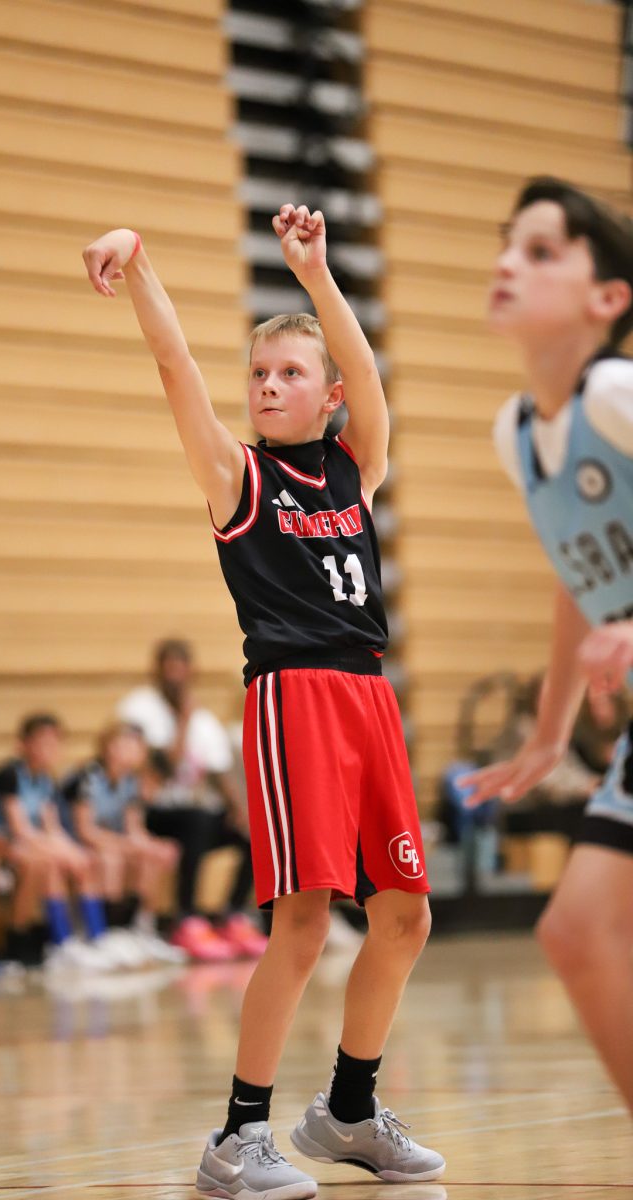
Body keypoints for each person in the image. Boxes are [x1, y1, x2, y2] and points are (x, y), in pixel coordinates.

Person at [83, 205, 445, 1197]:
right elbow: (175, 369)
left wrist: (317, 277)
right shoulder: (237, 476)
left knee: (405, 918)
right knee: (303, 922)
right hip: (294, 701)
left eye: (290, 373)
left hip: (370, 700)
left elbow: (368, 378)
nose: (269, 386)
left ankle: (349, 1111)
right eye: (259, 374)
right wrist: (139, 265)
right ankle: (237, 1137)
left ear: (328, 396)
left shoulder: (354, 467)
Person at [461, 177, 633, 1115]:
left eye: (539, 252)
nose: (506, 264)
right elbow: (576, 578)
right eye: (505, 244)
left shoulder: (615, 393)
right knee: (576, 932)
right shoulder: (517, 433)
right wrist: (548, 735)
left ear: (607, 298)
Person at [119, 639, 267, 962]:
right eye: (169, 667)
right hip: (152, 812)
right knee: (196, 820)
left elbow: (219, 772)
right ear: (158, 671)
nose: (175, 675)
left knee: (252, 831)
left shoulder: (202, 718)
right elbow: (165, 767)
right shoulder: (141, 708)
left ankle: (233, 915)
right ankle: (186, 918)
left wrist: (240, 811)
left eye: (180, 668)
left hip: (190, 816)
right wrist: (184, 720)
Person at [0, 714, 122, 972]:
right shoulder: (9, 774)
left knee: (82, 859)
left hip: (29, 845)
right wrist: (60, 853)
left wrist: (73, 852)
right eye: (43, 742)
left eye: (55, 743)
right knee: (48, 864)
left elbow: (53, 828)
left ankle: (96, 939)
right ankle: (48, 945)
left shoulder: (46, 780)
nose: (49, 749)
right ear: (23, 744)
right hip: (0, 845)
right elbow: (19, 830)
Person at [61, 721, 186, 965]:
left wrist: (154, 846)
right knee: (111, 860)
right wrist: (127, 845)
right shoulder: (87, 777)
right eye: (126, 744)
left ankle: (141, 931)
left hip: (109, 840)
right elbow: (85, 831)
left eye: (137, 746)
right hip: (74, 842)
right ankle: (101, 935)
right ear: (109, 746)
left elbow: (134, 829)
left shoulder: (130, 781)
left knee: (149, 859)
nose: (133, 750)